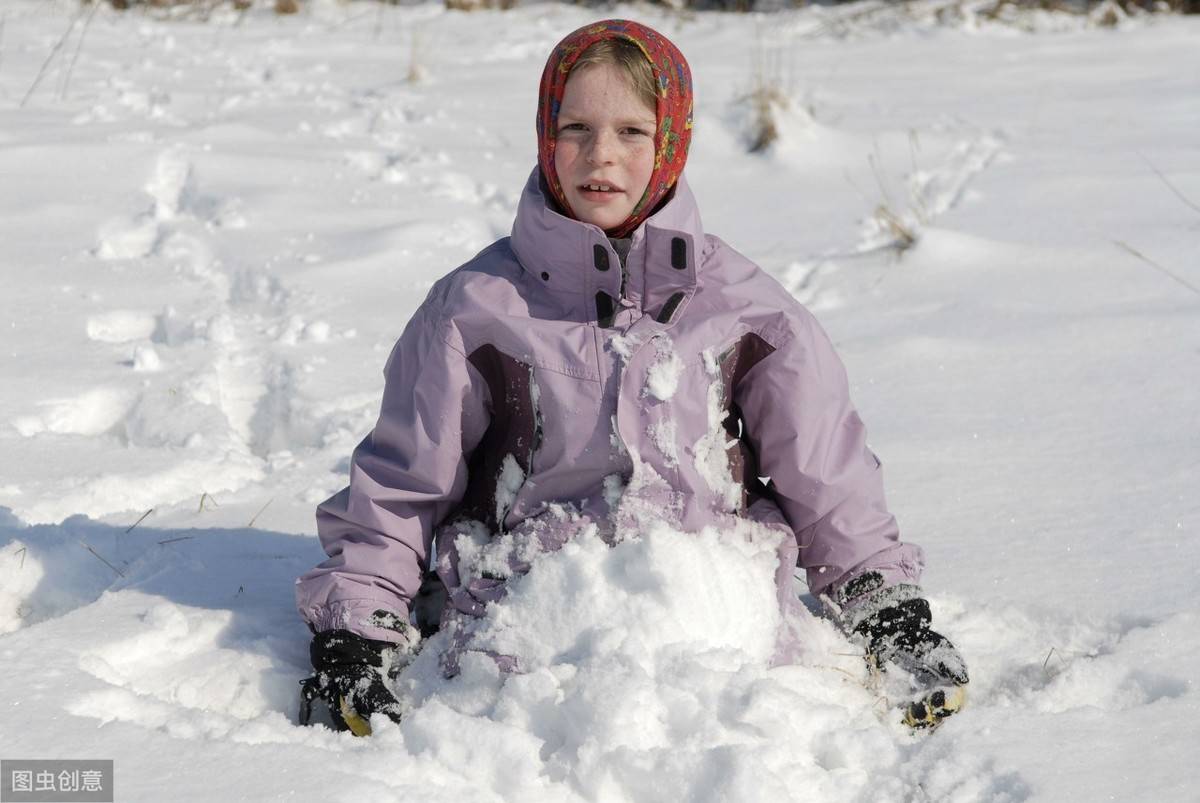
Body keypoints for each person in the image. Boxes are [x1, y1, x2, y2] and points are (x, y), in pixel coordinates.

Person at [295, 19, 968, 736]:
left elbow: (826, 471)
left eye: (631, 132)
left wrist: (884, 607)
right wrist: (358, 630)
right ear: (545, 134)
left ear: (671, 141)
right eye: (576, 127)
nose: (600, 156)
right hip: (523, 635)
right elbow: (403, 480)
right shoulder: (476, 309)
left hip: (716, 629)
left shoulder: (746, 310)